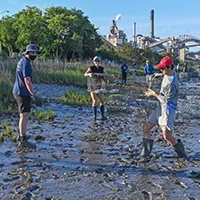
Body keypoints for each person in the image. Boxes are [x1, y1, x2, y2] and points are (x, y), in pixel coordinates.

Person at [140, 56, 187, 159]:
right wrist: (160, 74)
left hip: (168, 111)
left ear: (170, 67)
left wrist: (154, 93)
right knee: (146, 127)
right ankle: (144, 155)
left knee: (167, 136)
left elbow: (166, 100)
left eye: (163, 68)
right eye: (160, 68)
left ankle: (183, 156)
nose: (161, 70)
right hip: (160, 109)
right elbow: (169, 74)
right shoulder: (169, 72)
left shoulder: (172, 83)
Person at [13, 44, 41, 149]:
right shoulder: (26, 64)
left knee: (27, 113)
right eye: (32, 53)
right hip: (22, 92)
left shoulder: (24, 61)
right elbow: (27, 80)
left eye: (35, 53)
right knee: (23, 116)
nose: (34, 54)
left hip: (24, 92)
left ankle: (23, 134)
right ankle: (22, 140)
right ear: (27, 53)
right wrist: (34, 94)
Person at [84, 56, 115, 120]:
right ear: (94, 62)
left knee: (102, 101)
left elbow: (106, 74)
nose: (97, 62)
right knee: (95, 101)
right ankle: (94, 116)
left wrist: (111, 75)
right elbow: (85, 74)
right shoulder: (91, 68)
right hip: (92, 86)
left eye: (98, 61)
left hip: (99, 86)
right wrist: (89, 74)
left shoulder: (101, 68)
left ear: (100, 62)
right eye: (96, 61)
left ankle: (102, 115)